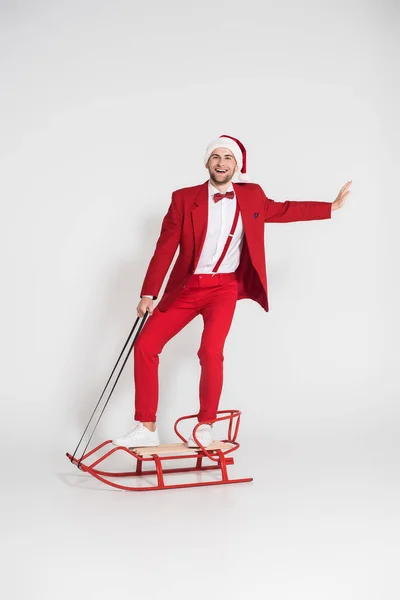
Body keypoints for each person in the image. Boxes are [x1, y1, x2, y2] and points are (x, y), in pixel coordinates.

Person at [112, 134, 351, 449]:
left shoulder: (252, 196)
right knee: (146, 345)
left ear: (237, 165)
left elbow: (284, 210)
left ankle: (205, 425)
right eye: (216, 157)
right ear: (207, 163)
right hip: (186, 288)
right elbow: (165, 247)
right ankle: (146, 425)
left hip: (223, 288)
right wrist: (149, 293)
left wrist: (330, 207)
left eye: (228, 158)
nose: (221, 163)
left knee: (210, 351)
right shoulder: (184, 199)